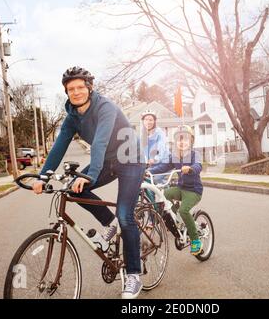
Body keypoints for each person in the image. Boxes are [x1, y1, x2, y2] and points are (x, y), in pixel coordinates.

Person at [32, 66, 145, 299]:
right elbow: (59, 146)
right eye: (70, 89)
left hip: (129, 159)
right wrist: (43, 176)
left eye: (80, 87)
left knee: (126, 216)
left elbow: (100, 142)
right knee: (73, 189)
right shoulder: (72, 117)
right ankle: (110, 222)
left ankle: (134, 274)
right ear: (66, 92)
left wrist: (90, 174)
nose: (76, 92)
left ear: (89, 87)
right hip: (106, 161)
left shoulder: (106, 107)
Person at [147, 125, 203, 255]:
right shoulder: (175, 156)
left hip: (193, 191)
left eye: (185, 139)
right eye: (179, 139)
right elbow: (163, 167)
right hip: (181, 188)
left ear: (191, 141)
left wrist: (191, 168)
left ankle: (195, 240)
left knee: (184, 210)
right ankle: (177, 218)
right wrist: (148, 171)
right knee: (163, 194)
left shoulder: (195, 154)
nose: (182, 142)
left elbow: (198, 165)